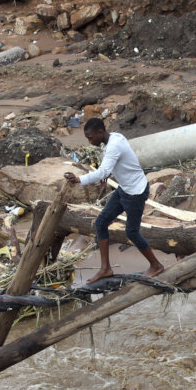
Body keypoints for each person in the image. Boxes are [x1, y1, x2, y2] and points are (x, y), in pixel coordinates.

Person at [63, 117, 164, 283]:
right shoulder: (115, 138)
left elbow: (102, 171)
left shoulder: (114, 145)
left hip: (135, 193)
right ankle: (105, 269)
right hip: (125, 189)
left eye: (90, 137)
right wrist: (110, 172)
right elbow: (118, 163)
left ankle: (156, 265)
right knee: (101, 222)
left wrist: (79, 179)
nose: (89, 141)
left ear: (100, 132)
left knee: (132, 232)